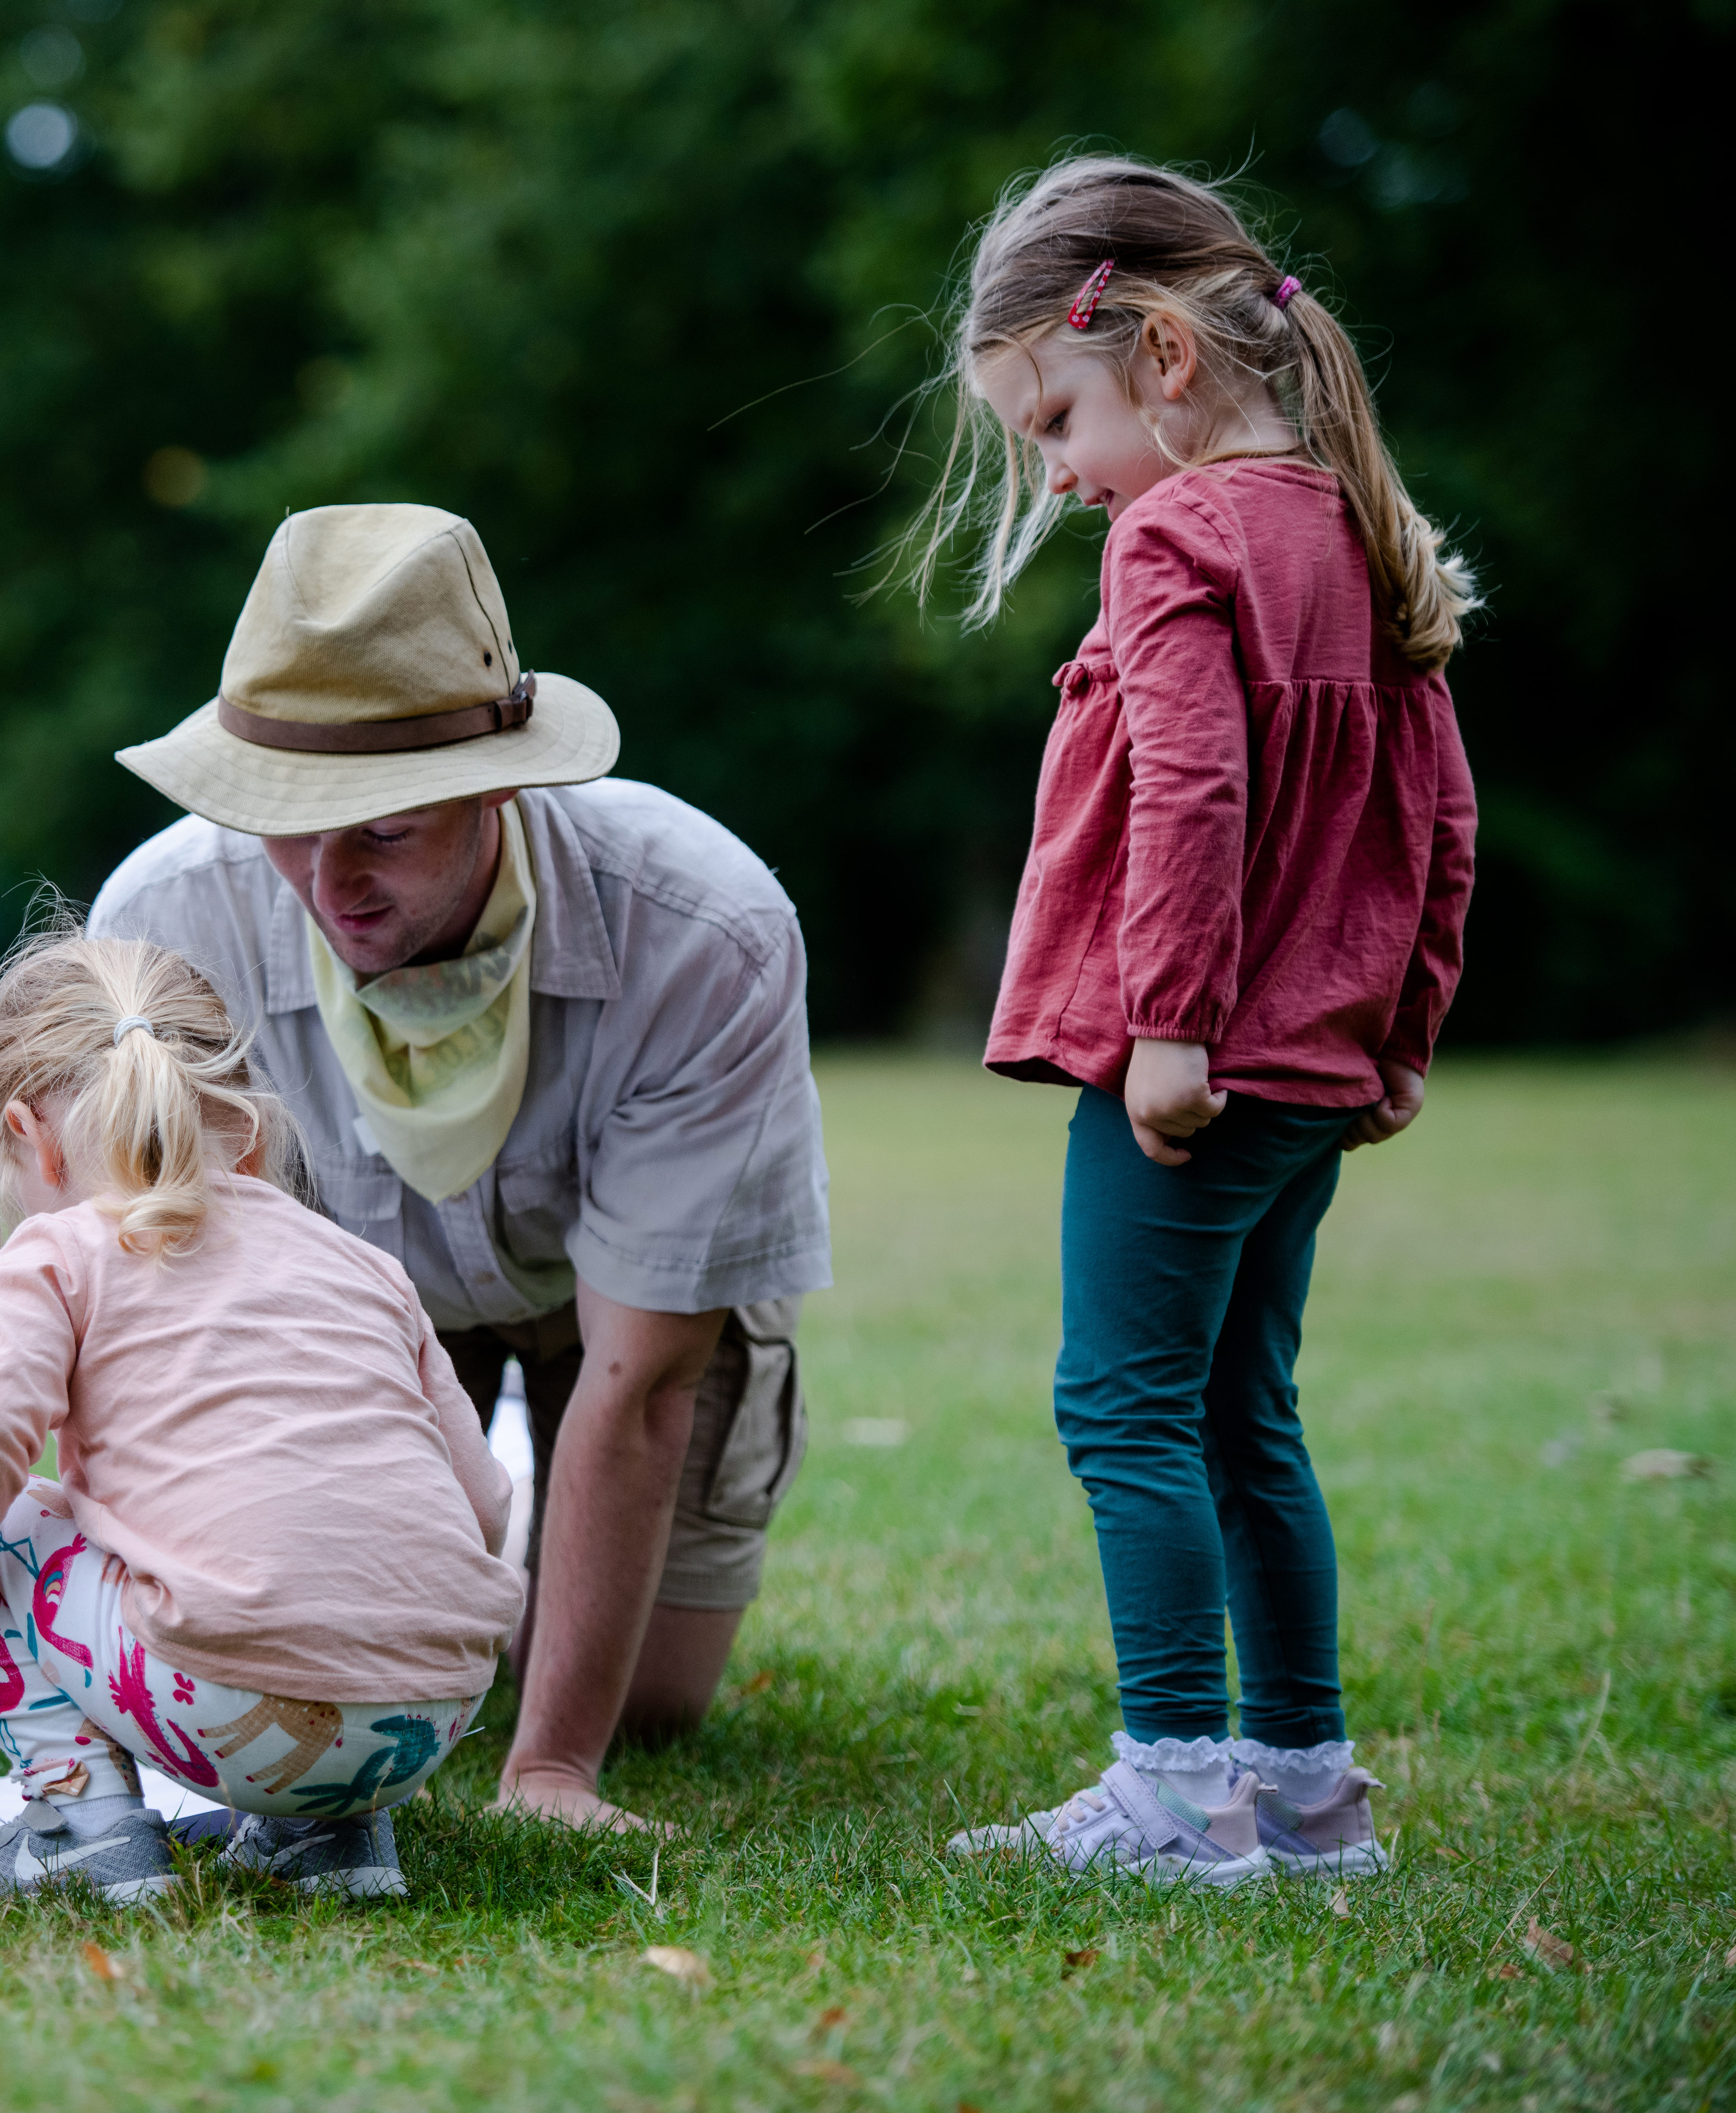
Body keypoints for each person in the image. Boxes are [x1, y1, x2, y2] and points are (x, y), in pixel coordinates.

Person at [902, 158, 1477, 1883]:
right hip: (1313, 1067)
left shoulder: (1183, 533)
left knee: (1123, 1405)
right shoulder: (1356, 527)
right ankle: (1305, 1791)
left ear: (1158, 353)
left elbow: (1194, 791)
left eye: (1055, 419)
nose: (1060, 475)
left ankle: (1171, 1786)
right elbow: (1442, 817)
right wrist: (1401, 1033)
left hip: (1198, 1070)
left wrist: (1168, 1023)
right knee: (1246, 1412)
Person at [91, 503, 832, 1831]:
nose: (326, 880)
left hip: (614, 1314)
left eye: (378, 826)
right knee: (343, 1649)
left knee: (649, 1703)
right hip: (340, 1315)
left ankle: (519, 1527)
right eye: (284, 819)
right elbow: (158, 1313)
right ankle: (467, 1519)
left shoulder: (701, 928)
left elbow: (642, 1374)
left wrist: (550, 1767)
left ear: (499, 781)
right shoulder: (165, 922)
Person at [0, 928, 520, 1903]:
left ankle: (79, 1826)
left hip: (231, 1700)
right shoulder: (362, 1265)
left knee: (9, 1521)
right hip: (433, 1713)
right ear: (245, 1126)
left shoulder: (61, 1251)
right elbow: (483, 1500)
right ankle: (328, 1842)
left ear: (31, 1138)